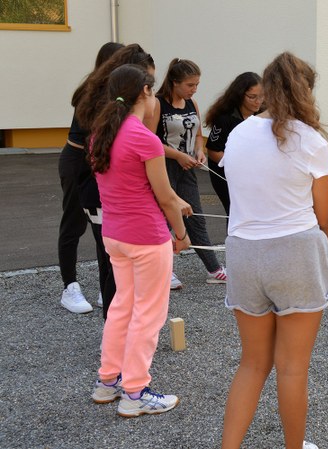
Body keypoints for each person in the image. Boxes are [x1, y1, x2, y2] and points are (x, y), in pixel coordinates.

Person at [220, 52, 328, 449]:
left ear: (266, 88)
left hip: (243, 254)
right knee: (292, 369)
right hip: (295, 252)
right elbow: (325, 216)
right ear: (306, 90)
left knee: (252, 364)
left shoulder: (238, 133)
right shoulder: (312, 140)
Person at [88, 64, 191, 417]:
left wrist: (175, 214)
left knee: (122, 307)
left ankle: (108, 381)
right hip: (146, 237)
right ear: (146, 92)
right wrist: (181, 234)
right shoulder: (144, 139)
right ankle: (135, 391)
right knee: (147, 315)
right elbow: (166, 198)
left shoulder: (101, 134)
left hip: (115, 235)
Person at [74, 44, 157, 319]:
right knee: (116, 275)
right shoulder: (122, 123)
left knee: (113, 267)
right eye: (150, 84)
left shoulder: (110, 111)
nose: (152, 92)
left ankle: (114, 322)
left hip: (105, 199)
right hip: (104, 196)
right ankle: (115, 321)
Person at [57, 41, 124, 314]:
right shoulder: (92, 92)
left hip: (96, 161)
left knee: (102, 227)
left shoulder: (111, 91)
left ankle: (104, 286)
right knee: (73, 223)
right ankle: (69, 286)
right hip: (78, 162)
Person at [152, 58, 227, 289]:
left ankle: (214, 268)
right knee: (164, 218)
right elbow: (149, 142)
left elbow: (198, 135)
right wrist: (177, 156)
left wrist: (198, 151)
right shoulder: (157, 104)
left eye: (197, 85)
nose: (194, 89)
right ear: (174, 82)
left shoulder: (191, 103)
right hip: (164, 166)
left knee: (195, 216)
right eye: (190, 85)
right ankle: (164, 271)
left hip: (187, 167)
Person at [204, 72, 264, 215]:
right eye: (252, 97)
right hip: (226, 173)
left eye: (261, 96)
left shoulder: (263, 114)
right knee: (234, 211)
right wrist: (237, 166)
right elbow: (213, 151)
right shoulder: (225, 119)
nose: (258, 101)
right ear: (239, 95)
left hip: (252, 173)